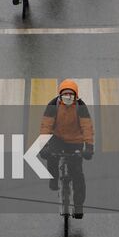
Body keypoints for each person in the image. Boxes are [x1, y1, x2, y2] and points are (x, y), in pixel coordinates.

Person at [39, 80, 94, 220]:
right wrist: (44, 146)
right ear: (60, 95)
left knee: (77, 174)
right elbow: (46, 126)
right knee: (51, 157)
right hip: (57, 138)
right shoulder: (53, 105)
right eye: (65, 95)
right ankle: (54, 177)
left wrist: (89, 147)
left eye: (71, 95)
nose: (68, 97)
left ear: (76, 96)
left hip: (75, 141)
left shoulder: (81, 107)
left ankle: (78, 206)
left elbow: (87, 127)